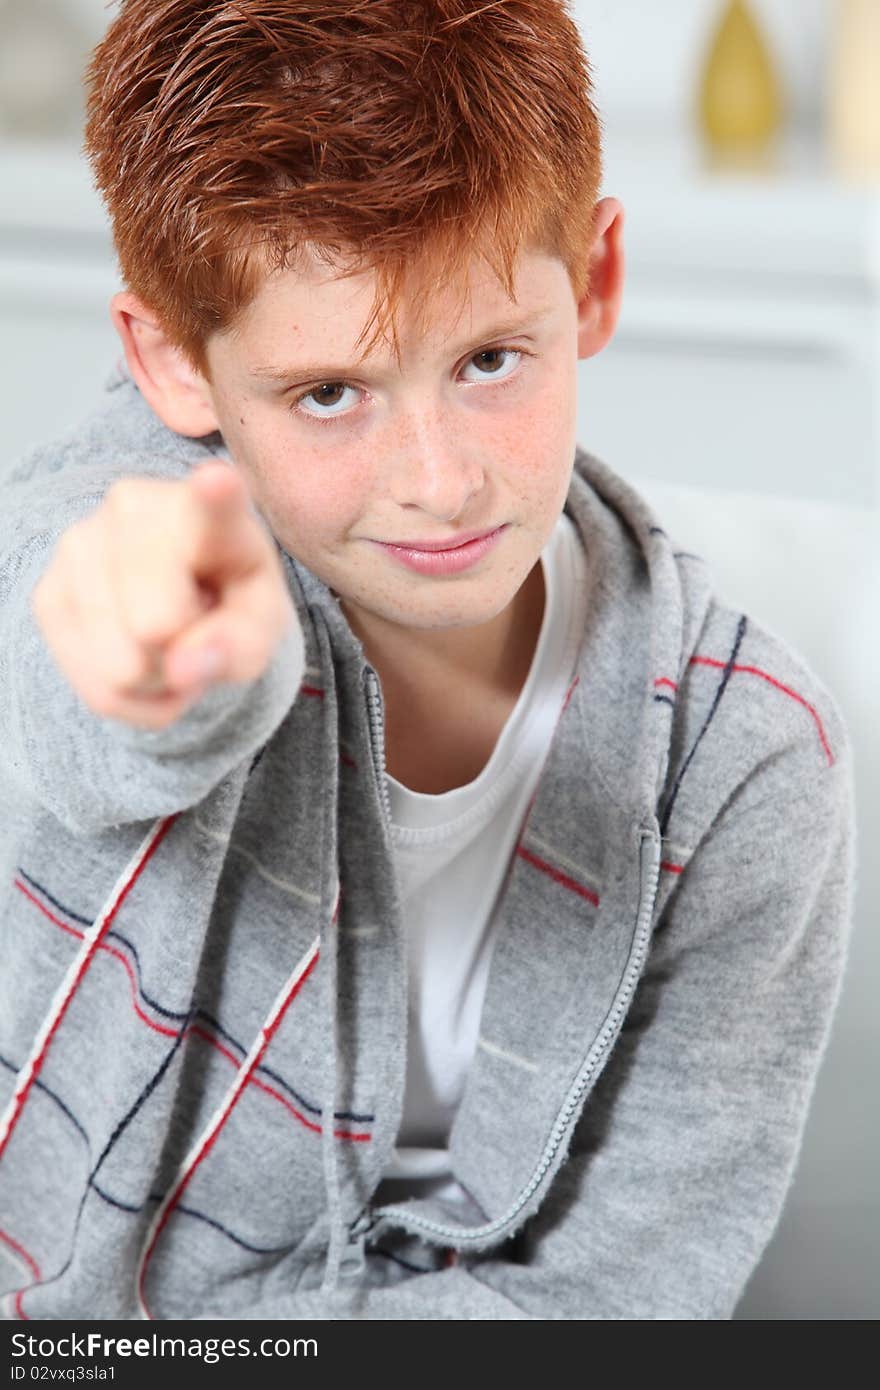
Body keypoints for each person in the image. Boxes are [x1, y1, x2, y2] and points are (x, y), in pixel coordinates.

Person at [0, 0, 856, 1321]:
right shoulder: (118, 526)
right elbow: (80, 662)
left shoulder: (745, 765)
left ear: (600, 282)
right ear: (172, 362)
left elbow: (617, 1289)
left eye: (492, 359)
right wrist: (162, 689)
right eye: (329, 392)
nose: (441, 483)